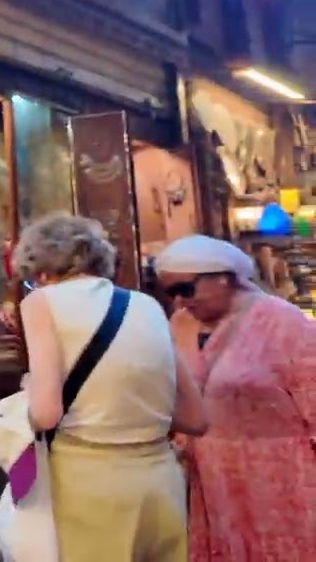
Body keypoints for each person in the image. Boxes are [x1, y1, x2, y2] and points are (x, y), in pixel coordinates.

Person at [11, 212, 208, 562]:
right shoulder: (147, 306)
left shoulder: (40, 303)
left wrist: (13, 415)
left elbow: (46, 413)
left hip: (90, 483)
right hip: (161, 484)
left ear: (41, 272)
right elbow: (196, 419)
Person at [155, 234, 314, 561]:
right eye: (170, 292)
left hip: (280, 475)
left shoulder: (282, 321)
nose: (180, 301)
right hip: (211, 475)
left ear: (223, 277)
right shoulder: (180, 324)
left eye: (186, 289)